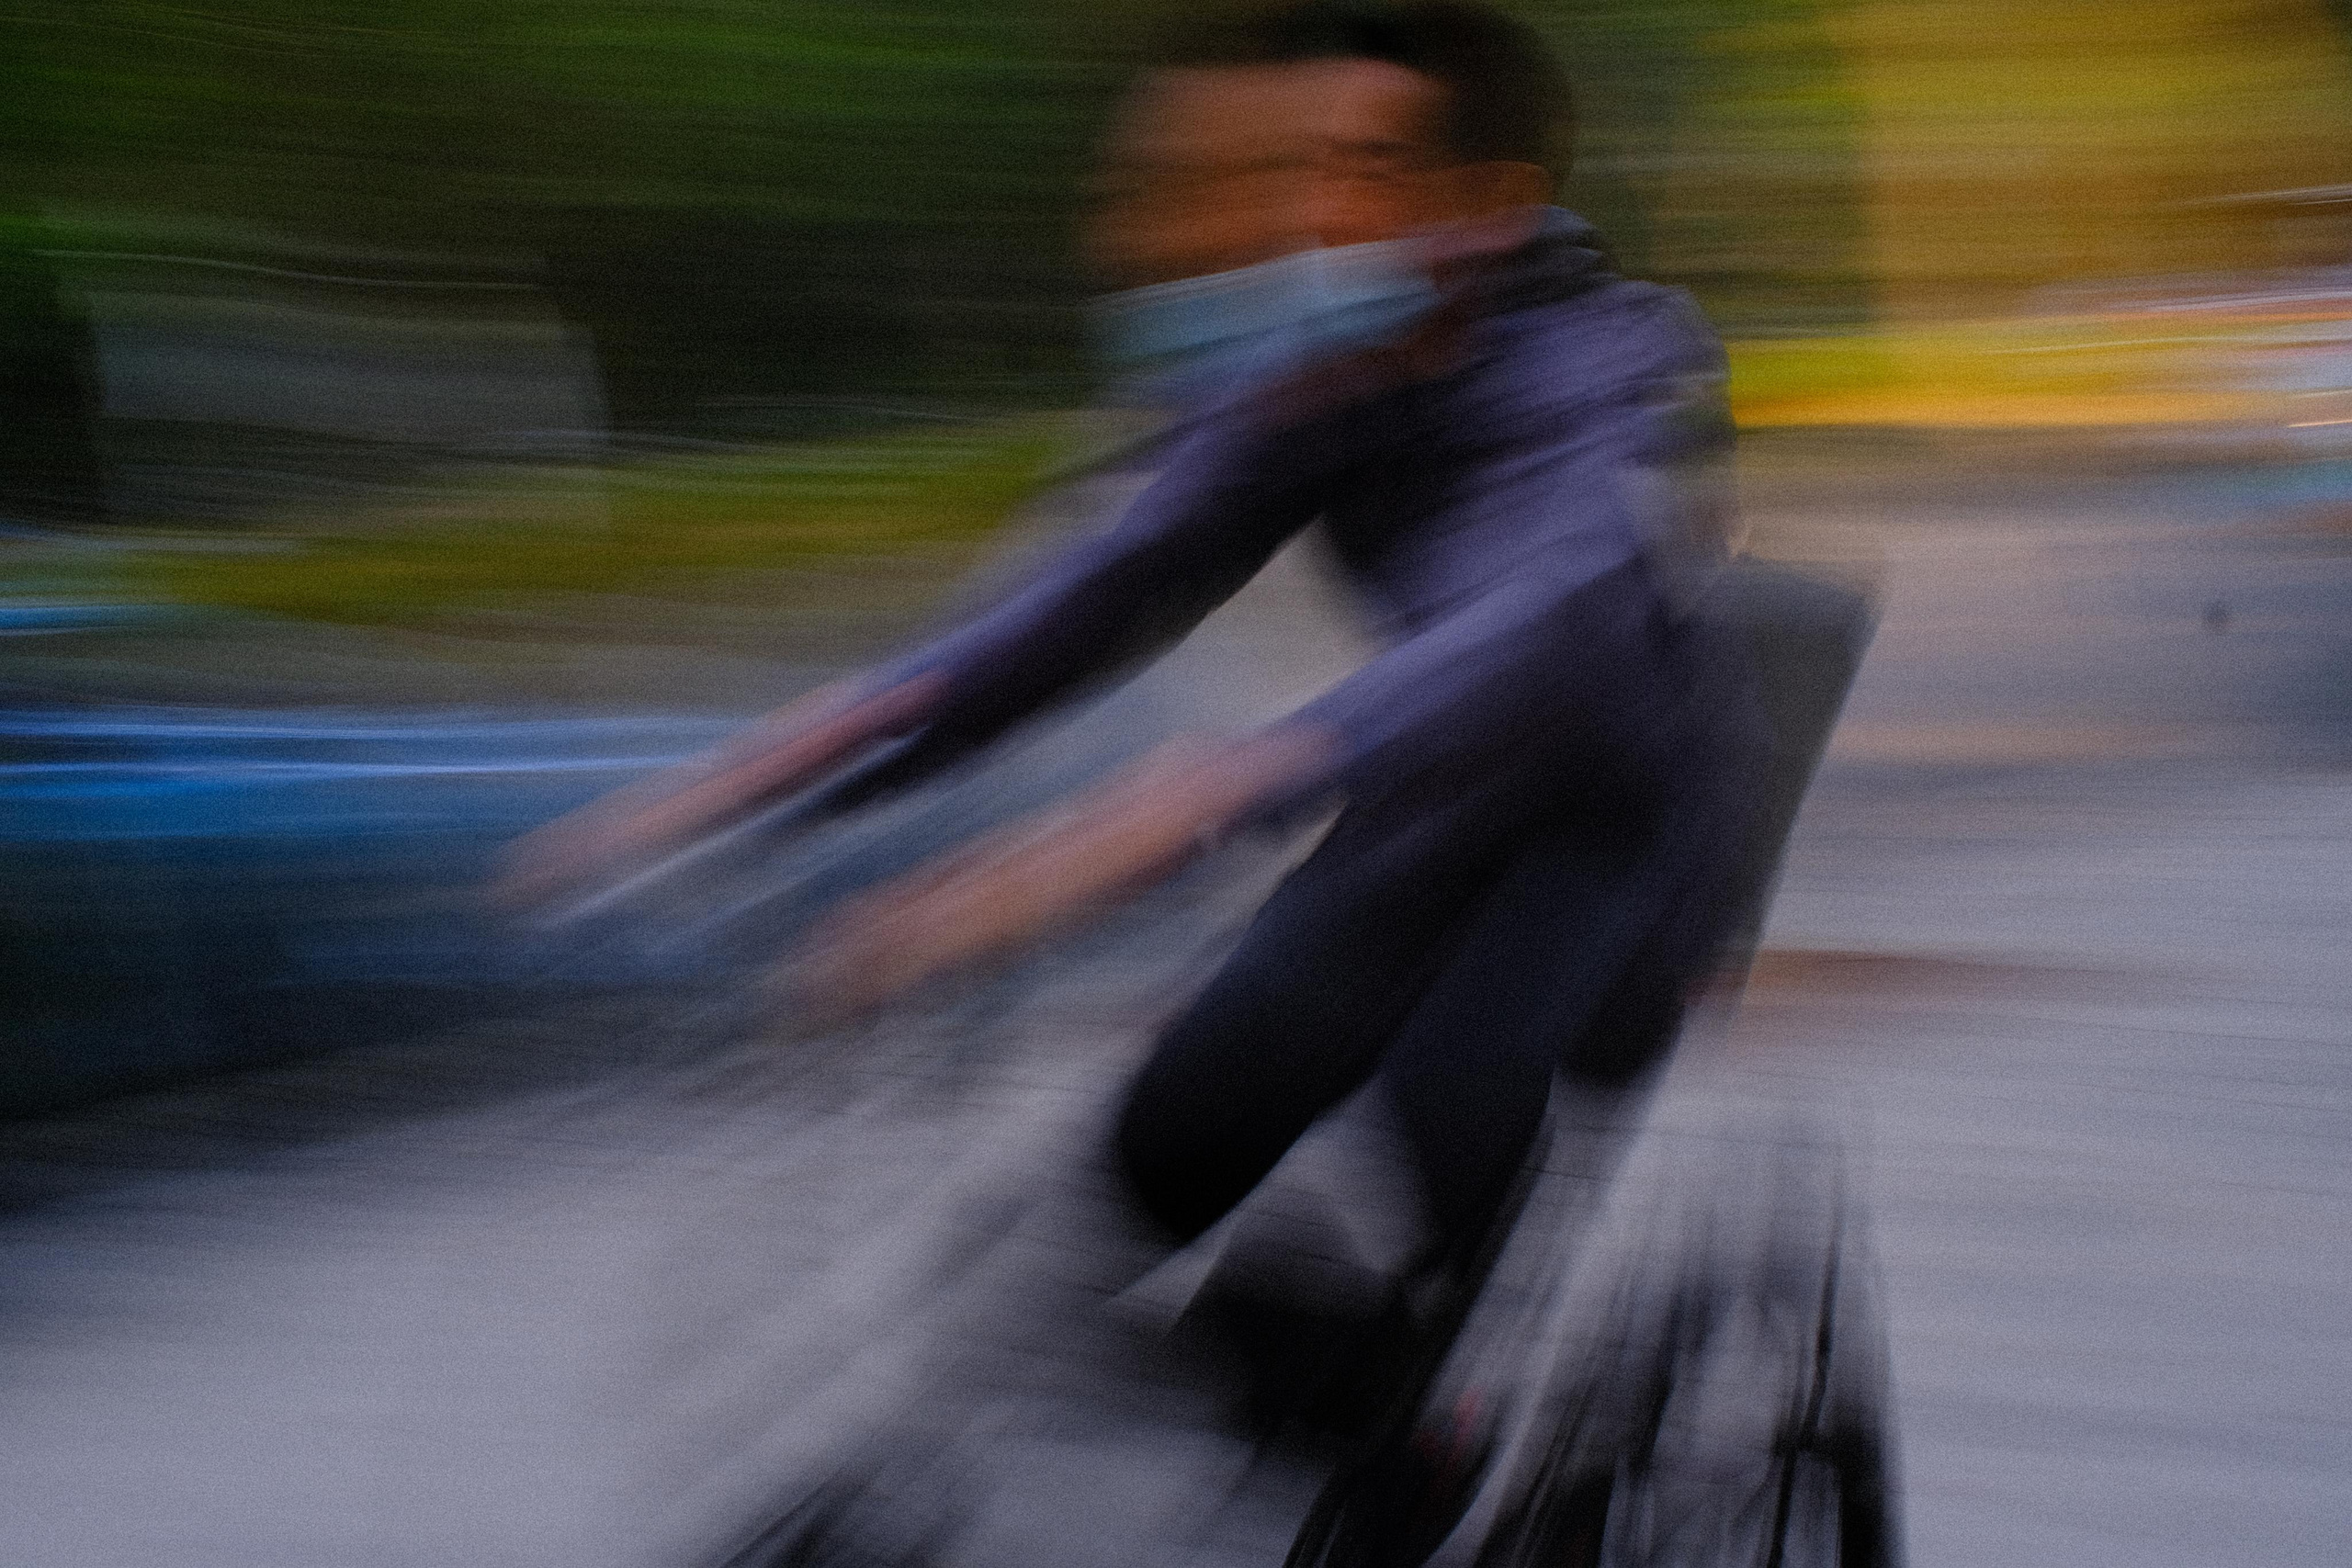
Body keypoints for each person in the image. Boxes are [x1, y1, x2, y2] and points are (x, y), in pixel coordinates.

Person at [503, 0, 1765, 1339]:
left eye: (1369, 174)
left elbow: (1545, 622)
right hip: (1429, 813)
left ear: (1491, 204)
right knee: (1168, 1141)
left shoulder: (1617, 361)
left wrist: (1210, 790)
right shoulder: (1333, 366)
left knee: (1431, 1121)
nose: (1316, 215)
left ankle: (1478, 1412)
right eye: (1300, 169)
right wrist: (795, 763)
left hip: (1622, 825)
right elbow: (1106, 584)